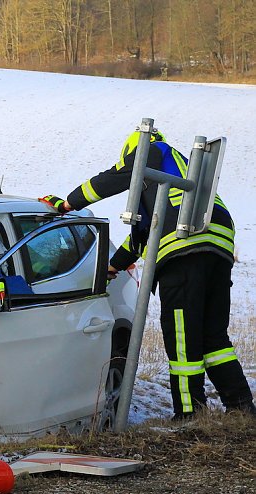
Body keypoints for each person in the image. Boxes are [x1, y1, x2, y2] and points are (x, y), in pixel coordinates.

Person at [40, 128, 255, 420]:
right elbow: (145, 235)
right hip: (216, 247)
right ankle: (241, 408)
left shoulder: (154, 151)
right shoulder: (171, 179)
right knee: (213, 337)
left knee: (181, 334)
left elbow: (113, 179)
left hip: (184, 249)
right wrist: (113, 267)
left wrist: (67, 203)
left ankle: (190, 414)